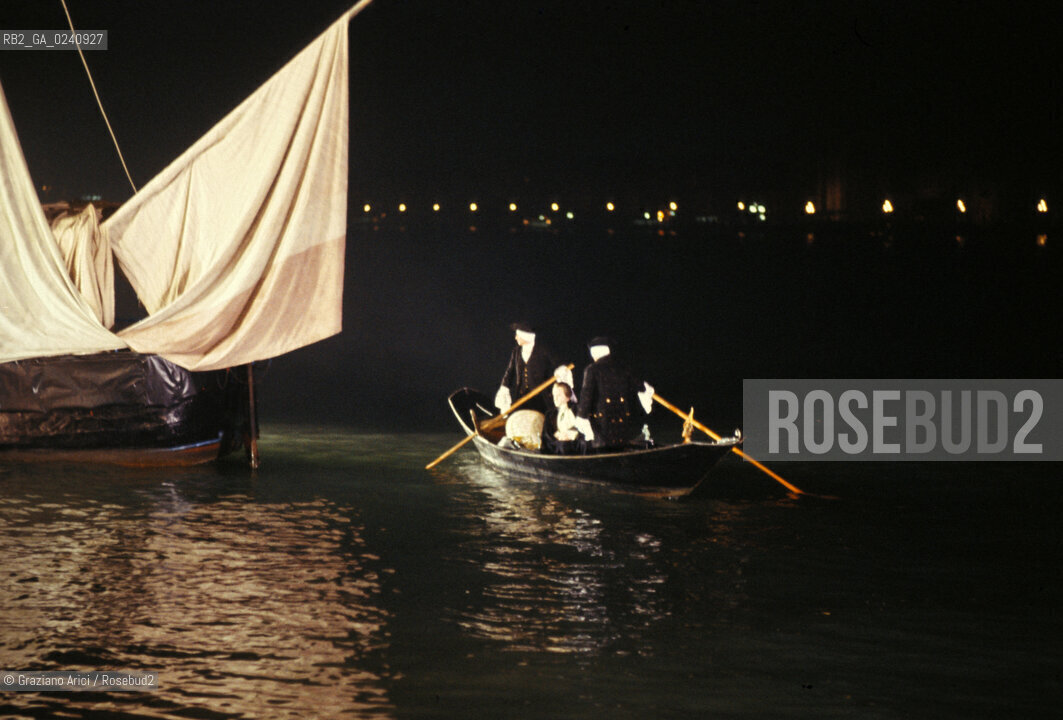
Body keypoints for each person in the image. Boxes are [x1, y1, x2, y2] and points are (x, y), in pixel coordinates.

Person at [574, 337, 654, 451]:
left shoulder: (592, 369)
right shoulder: (623, 367)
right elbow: (641, 386)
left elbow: (586, 395)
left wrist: (581, 416)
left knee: (604, 450)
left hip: (602, 422)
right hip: (622, 419)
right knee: (621, 447)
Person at [495, 322, 572, 414]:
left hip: (540, 397)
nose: (515, 338)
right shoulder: (516, 351)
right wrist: (504, 386)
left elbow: (558, 362)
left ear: (525, 336)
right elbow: (510, 371)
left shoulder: (542, 349)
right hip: (521, 396)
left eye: (517, 335)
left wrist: (561, 369)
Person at [541, 381, 583, 454]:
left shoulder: (577, 411)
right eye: (554, 395)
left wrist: (571, 436)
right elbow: (546, 436)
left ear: (567, 397)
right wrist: (559, 438)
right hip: (557, 450)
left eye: (559, 395)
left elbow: (584, 431)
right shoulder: (550, 415)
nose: (555, 398)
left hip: (576, 448)